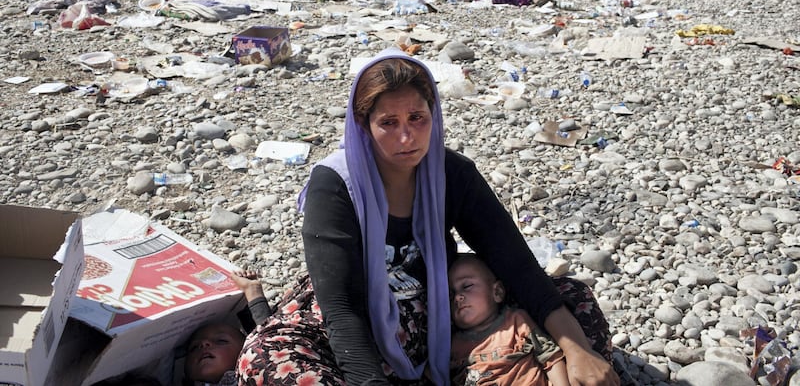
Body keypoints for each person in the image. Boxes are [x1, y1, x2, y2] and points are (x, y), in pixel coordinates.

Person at [228, 50, 618, 386]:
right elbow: (341, 309)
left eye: (417, 118)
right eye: (388, 123)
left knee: (574, 301)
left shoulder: (451, 174)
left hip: (436, 308)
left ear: (434, 113)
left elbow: (516, 265)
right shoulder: (336, 186)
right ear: (363, 125)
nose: (406, 138)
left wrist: (577, 350)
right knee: (264, 357)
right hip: (355, 320)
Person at [449, 253, 570, 386]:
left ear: (497, 292)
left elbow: (550, 356)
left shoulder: (517, 322)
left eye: (466, 286)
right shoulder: (452, 344)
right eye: (450, 294)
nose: (457, 297)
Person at [183, 270, 271, 386]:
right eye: (194, 348)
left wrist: (252, 291)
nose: (204, 343)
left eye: (221, 341)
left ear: (244, 352)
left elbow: (269, 341)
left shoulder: (259, 373)